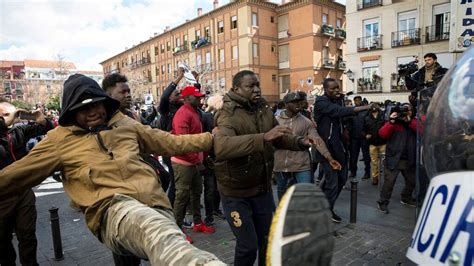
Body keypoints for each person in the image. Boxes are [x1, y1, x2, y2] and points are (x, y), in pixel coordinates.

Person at [0, 74, 224, 265]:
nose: (93, 112)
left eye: (96, 104)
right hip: (112, 211)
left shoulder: (125, 124)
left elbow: (171, 142)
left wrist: (209, 139)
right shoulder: (58, 140)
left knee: (167, 242)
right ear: (71, 112)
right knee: (154, 233)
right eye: (83, 108)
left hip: (154, 205)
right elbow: (15, 175)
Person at [213, 70, 329, 266]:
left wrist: (301, 142)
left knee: (268, 241)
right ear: (236, 89)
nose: (257, 89)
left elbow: (278, 137)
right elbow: (222, 147)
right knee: (247, 247)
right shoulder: (226, 114)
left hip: (262, 189)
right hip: (236, 193)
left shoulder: (263, 110)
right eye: (251, 86)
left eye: (258, 84)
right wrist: (262, 138)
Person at [102, 73, 168, 265]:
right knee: (126, 255)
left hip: (143, 191)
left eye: (129, 91)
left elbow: (150, 139)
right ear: (108, 94)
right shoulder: (102, 121)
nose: (128, 95)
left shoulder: (132, 116)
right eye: (123, 91)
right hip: (120, 194)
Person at [0, 100, 54, 266]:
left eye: (7, 114)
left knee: (28, 236)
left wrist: (39, 117)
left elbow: (46, 128)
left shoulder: (19, 132)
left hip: (23, 192)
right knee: (3, 241)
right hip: (2, 196)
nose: (2, 118)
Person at [313, 78, 373, 223]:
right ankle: (326, 210)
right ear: (325, 89)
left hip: (340, 147)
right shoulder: (321, 102)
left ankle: (322, 205)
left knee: (341, 179)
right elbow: (338, 111)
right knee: (332, 182)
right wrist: (362, 107)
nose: (336, 91)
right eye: (333, 89)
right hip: (326, 149)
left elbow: (342, 116)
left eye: (337, 88)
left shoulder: (338, 99)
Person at [274, 91, 341, 200]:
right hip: (281, 164)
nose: (298, 105)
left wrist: (329, 158)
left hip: (301, 163)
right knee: (282, 189)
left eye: (299, 102)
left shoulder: (306, 122)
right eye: (294, 102)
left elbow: (317, 140)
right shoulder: (275, 121)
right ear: (286, 104)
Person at [171, 86, 215, 240]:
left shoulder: (194, 112)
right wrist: (197, 161)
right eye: (196, 97)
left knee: (196, 193)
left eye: (200, 96)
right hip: (183, 162)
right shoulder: (183, 114)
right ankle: (177, 230)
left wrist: (203, 158)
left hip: (194, 162)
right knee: (182, 196)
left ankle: (197, 223)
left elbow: (198, 139)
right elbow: (184, 143)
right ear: (187, 98)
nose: (200, 99)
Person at [158, 67, 200, 206]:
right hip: (171, 150)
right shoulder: (166, 108)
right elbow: (164, 96)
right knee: (176, 184)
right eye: (177, 93)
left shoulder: (184, 107)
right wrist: (179, 78)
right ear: (170, 97)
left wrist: (194, 81)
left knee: (185, 182)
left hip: (184, 148)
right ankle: (170, 209)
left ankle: (184, 207)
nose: (180, 95)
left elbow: (194, 96)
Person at [377, 103, 417, 213]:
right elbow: (382, 134)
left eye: (408, 110)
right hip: (393, 159)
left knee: (412, 181)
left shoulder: (414, 122)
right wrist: (391, 122)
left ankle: (406, 197)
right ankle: (383, 202)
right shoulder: (394, 123)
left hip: (409, 159)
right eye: (404, 110)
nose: (406, 112)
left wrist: (409, 121)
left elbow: (422, 131)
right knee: (389, 183)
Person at [348, 96, 371, 179]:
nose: (357, 102)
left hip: (364, 137)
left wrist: (368, 133)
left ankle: (367, 173)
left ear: (361, 101)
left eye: (358, 100)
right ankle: (353, 172)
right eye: (355, 100)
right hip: (354, 137)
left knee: (366, 156)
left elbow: (370, 123)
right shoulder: (352, 111)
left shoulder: (366, 111)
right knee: (353, 157)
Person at [363, 104, 386, 185]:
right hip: (372, 143)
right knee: (374, 162)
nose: (374, 107)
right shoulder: (367, 117)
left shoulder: (383, 116)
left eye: (375, 105)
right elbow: (363, 129)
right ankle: (375, 177)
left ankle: (387, 178)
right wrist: (365, 135)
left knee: (385, 161)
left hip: (383, 142)